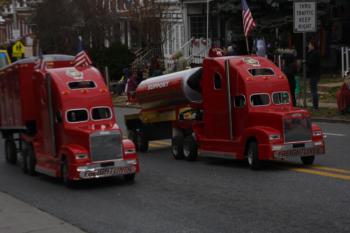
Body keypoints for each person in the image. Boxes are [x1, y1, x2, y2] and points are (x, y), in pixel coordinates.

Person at [306, 40, 321, 110]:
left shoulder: (314, 53)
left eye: (309, 44)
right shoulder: (315, 53)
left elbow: (310, 63)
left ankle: (315, 106)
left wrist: (308, 55)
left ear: (312, 45)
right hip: (314, 74)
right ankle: (315, 106)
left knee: (313, 91)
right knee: (313, 90)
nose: (308, 46)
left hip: (314, 74)